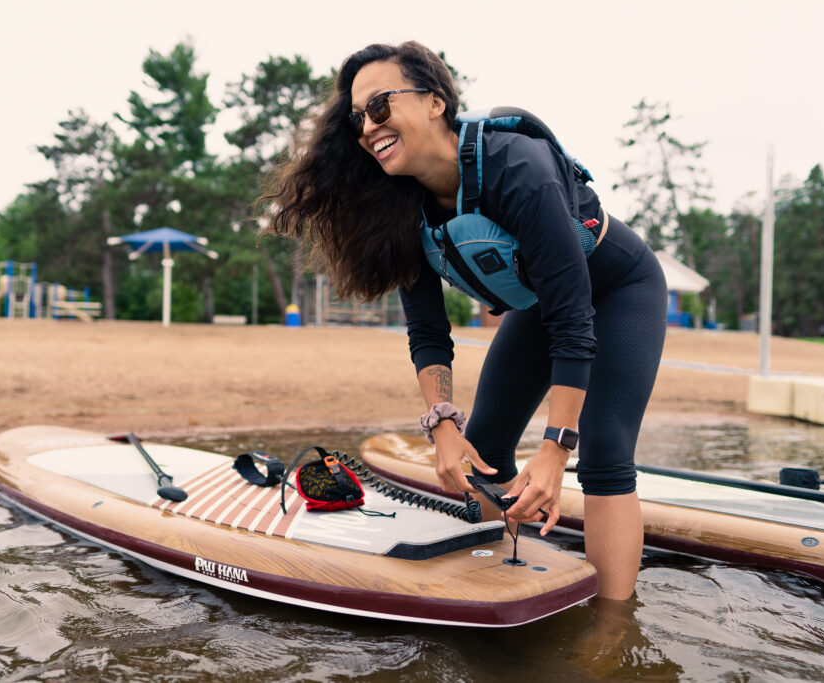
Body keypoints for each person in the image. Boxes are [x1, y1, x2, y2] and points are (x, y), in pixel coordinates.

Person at [261, 41, 666, 601]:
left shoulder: (516, 168)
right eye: (357, 118)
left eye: (380, 105)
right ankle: (502, 573)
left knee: (602, 453)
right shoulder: (399, 209)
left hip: (620, 291)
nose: (367, 126)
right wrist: (443, 430)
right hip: (544, 308)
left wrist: (553, 452)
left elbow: (576, 319)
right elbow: (428, 333)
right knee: (480, 448)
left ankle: (613, 633)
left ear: (434, 102)